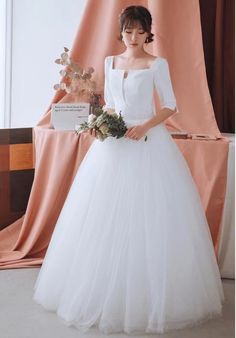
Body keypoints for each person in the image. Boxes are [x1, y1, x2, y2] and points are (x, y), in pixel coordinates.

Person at [33, 5, 224, 335]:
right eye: (128, 31)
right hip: (113, 143)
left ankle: (147, 293)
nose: (133, 37)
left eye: (139, 31)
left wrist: (146, 126)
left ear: (148, 32)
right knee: (102, 215)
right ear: (120, 32)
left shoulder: (156, 64)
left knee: (147, 216)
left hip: (147, 142)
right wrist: (98, 123)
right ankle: (102, 287)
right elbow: (109, 103)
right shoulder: (110, 62)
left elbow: (170, 105)